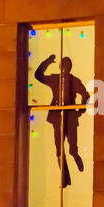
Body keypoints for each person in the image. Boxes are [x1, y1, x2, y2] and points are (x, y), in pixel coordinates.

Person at [35, 54, 90, 188]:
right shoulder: (55, 79)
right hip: (57, 118)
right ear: (60, 67)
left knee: (71, 149)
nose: (65, 68)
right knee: (59, 150)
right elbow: (38, 76)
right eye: (63, 65)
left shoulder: (74, 80)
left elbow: (85, 94)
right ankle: (64, 179)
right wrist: (47, 62)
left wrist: (80, 111)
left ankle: (76, 156)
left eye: (67, 65)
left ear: (70, 68)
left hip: (70, 118)